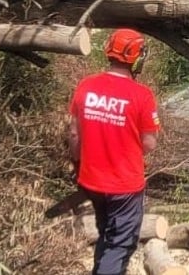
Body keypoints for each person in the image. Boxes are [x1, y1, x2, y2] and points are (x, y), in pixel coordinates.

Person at [67, 28, 160, 275]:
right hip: (125, 186)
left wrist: (77, 163)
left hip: (92, 181)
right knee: (120, 244)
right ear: (136, 57)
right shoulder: (142, 95)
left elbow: (74, 134)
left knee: (107, 235)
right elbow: (149, 143)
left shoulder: (86, 86)